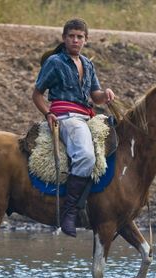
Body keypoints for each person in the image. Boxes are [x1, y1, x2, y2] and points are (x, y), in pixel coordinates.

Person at [32, 18, 115, 237]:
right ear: (64, 38)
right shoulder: (55, 62)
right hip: (66, 116)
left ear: (86, 40)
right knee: (86, 156)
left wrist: (105, 95)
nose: (75, 40)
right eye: (71, 36)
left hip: (87, 115)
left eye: (80, 37)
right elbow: (37, 94)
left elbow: (94, 96)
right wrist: (47, 113)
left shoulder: (88, 64)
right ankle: (69, 211)